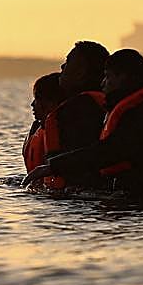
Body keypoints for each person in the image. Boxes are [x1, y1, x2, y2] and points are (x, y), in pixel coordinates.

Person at [25, 49, 143, 199]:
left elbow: (111, 150)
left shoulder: (139, 111)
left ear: (123, 77)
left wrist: (53, 167)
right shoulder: (125, 108)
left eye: (108, 76)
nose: (103, 83)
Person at [41, 40, 111, 188]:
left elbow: (83, 162)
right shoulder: (101, 104)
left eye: (68, 62)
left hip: (80, 197)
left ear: (81, 73)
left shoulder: (79, 109)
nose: (62, 67)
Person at [22, 72, 66, 189]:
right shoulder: (39, 129)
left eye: (36, 99)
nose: (32, 104)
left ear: (49, 102)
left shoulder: (64, 131)